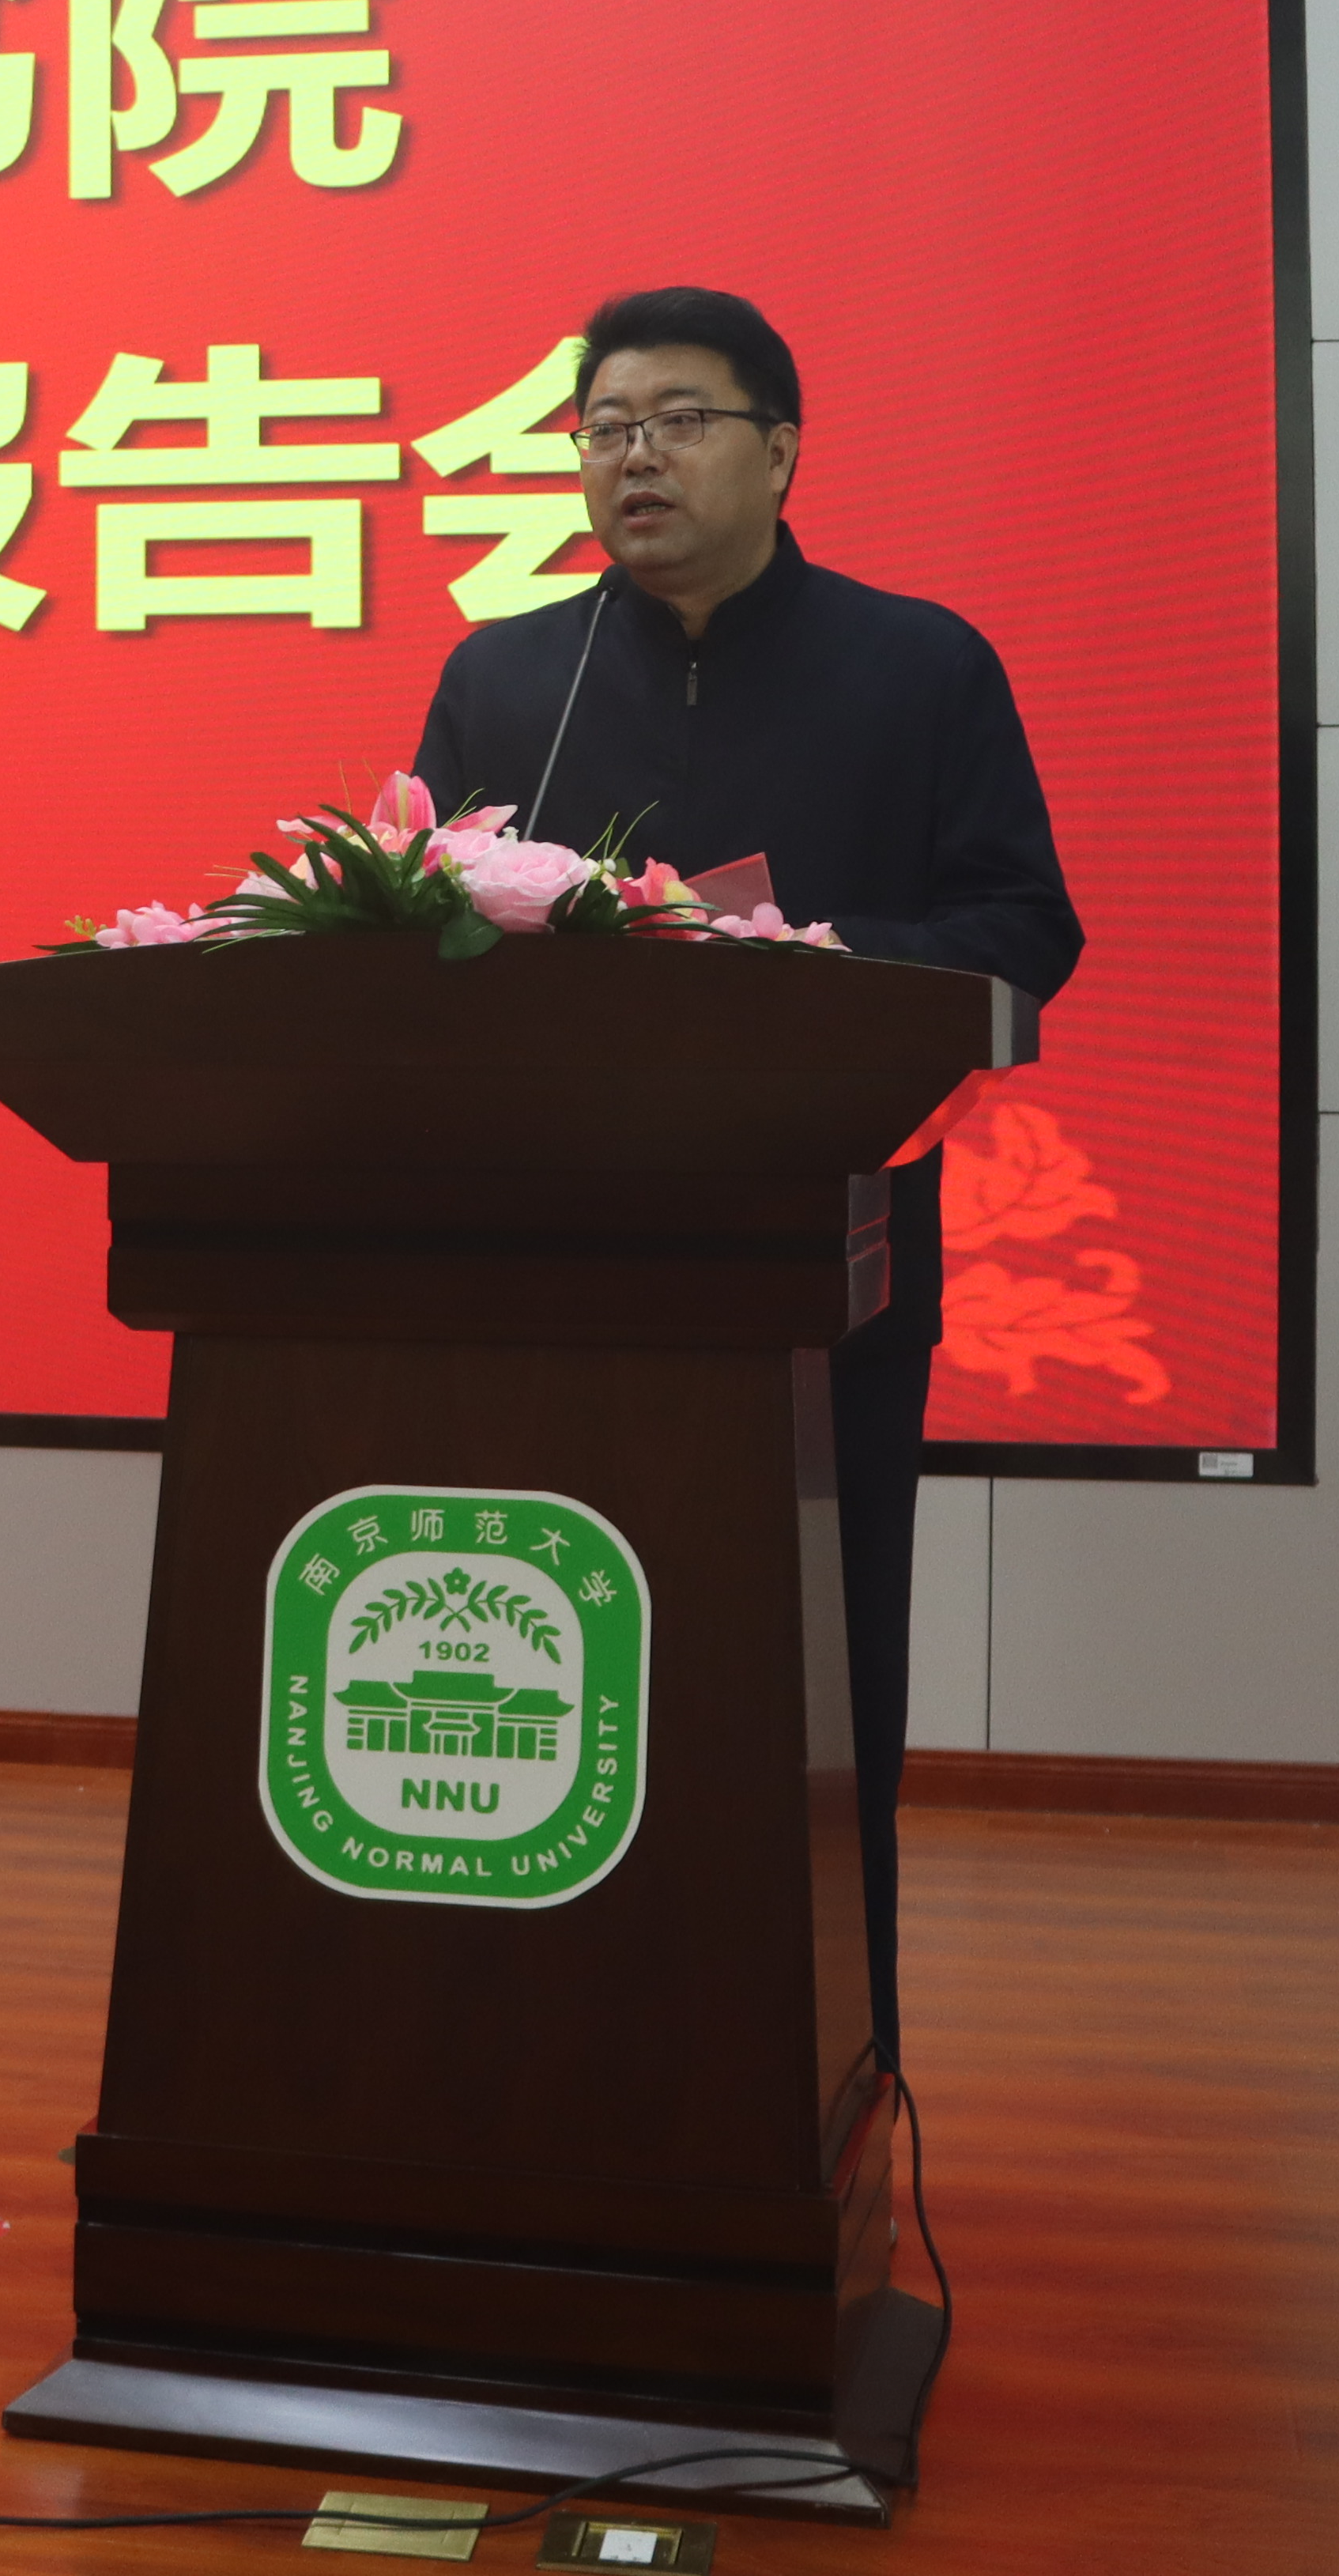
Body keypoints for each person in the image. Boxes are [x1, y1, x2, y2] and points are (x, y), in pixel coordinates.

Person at [409, 284, 1077, 2078]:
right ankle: (539, 2045)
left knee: (815, 1675)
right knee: (549, 1658)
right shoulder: (507, 680)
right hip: (557, 1260)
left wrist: (811, 959)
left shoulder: (919, 667)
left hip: (822, 1260)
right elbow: (422, 924)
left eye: (679, 421)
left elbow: (1027, 931)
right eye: (605, 427)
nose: (635, 457)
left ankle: (829, 2060)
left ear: (780, 450)